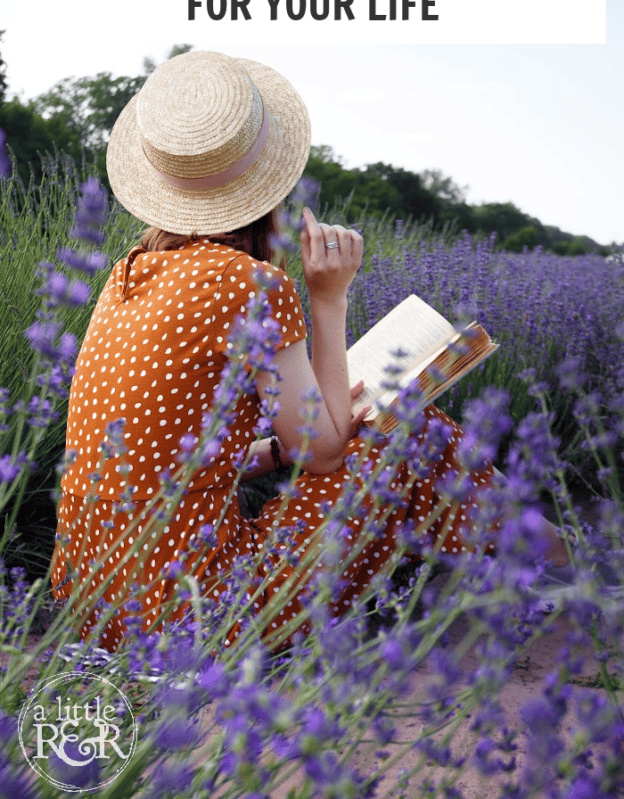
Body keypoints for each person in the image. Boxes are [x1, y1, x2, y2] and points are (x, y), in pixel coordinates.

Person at [50, 51, 568, 652]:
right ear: (268, 182)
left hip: (93, 605)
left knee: (384, 433)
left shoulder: (127, 274)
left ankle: (522, 564)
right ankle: (561, 562)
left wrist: (271, 451)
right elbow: (321, 454)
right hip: (194, 614)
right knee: (413, 429)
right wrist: (328, 297)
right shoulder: (246, 284)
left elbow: (156, 456)